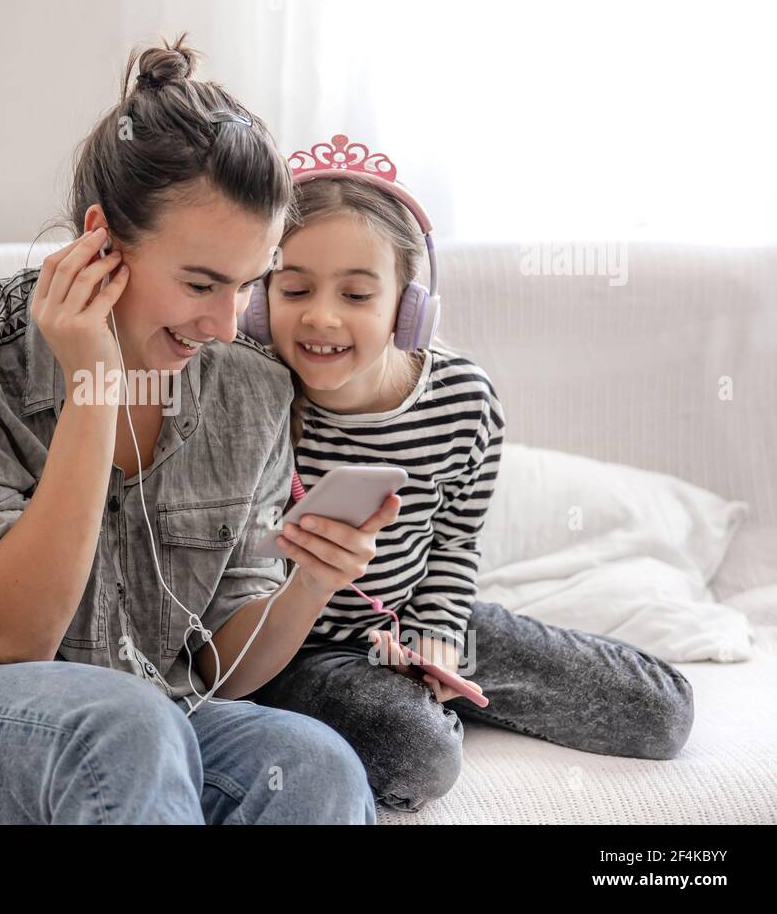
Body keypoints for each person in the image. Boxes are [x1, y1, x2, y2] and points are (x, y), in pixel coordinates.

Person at [0, 37, 401, 824]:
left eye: (248, 284)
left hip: (148, 711)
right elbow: (19, 635)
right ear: (102, 239)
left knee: (315, 763)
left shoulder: (253, 388)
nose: (224, 321)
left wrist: (311, 582)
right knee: (122, 724)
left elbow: (220, 673)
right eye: (200, 283)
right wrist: (93, 386)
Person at [241, 135, 696, 812]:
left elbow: (454, 539)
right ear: (259, 299)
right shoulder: (246, 394)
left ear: (410, 307)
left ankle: (426, 689)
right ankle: (414, 709)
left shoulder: (463, 398)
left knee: (663, 711)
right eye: (295, 287)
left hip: (410, 621)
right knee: (417, 753)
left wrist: (439, 639)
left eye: (357, 293)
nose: (321, 316)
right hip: (294, 656)